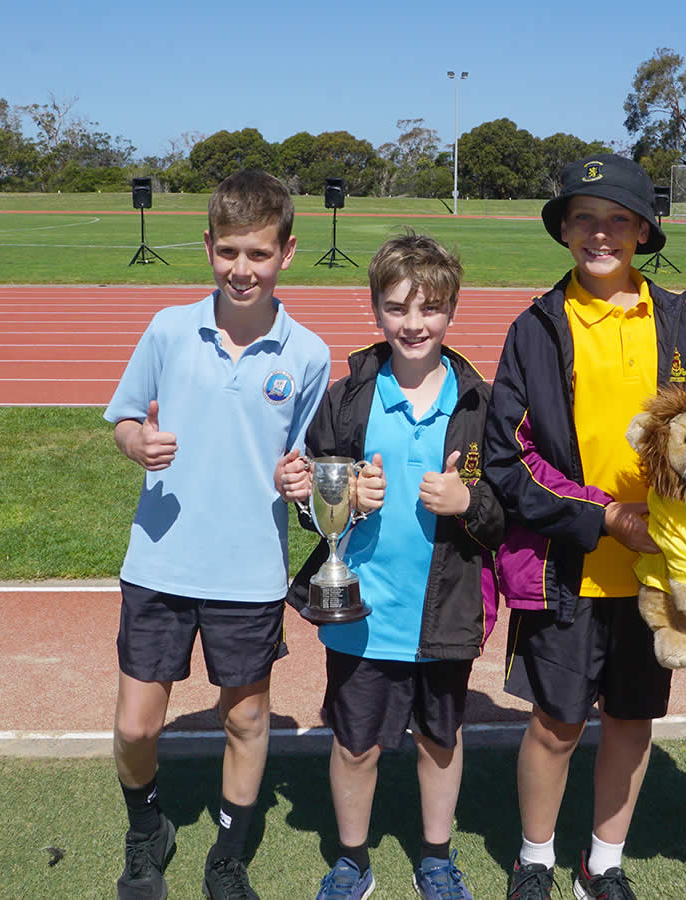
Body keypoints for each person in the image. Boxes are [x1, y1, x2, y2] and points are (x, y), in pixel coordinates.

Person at [484, 153, 686, 900]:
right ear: (565, 230)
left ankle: (601, 865)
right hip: (568, 565)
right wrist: (603, 516)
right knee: (555, 724)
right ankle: (535, 857)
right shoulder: (537, 326)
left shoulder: (677, 320)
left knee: (631, 721)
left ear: (643, 230)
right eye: (585, 218)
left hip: (653, 573)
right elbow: (505, 458)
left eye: (618, 219)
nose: (601, 234)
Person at [105, 169, 331, 900]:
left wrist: (301, 488)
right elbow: (124, 419)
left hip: (248, 571)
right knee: (139, 727)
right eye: (229, 251)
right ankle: (148, 830)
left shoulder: (309, 355)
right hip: (161, 563)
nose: (243, 269)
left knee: (247, 719)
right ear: (208, 246)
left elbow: (304, 467)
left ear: (287, 253)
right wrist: (137, 443)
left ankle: (228, 856)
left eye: (258, 254)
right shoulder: (170, 328)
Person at [288, 231, 503, 900]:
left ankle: (436, 857)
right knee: (355, 744)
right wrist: (341, 497)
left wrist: (467, 500)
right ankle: (353, 859)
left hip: (443, 608)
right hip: (360, 612)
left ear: (452, 311)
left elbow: (503, 511)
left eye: (431, 308)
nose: (414, 323)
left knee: (442, 737)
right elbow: (313, 500)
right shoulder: (349, 396)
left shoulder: (479, 404)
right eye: (398, 308)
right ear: (376, 310)